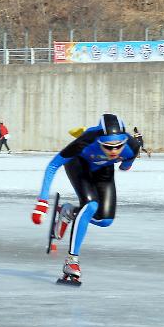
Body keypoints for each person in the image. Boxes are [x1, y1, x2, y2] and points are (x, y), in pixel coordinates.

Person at [32, 114, 139, 285]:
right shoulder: (85, 141)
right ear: (99, 141)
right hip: (79, 164)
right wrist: (42, 202)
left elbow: (126, 165)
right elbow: (52, 166)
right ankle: (71, 261)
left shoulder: (132, 146)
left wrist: (125, 163)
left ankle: (69, 212)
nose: (113, 151)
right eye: (107, 146)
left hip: (103, 170)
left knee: (105, 220)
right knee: (90, 206)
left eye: (118, 146)